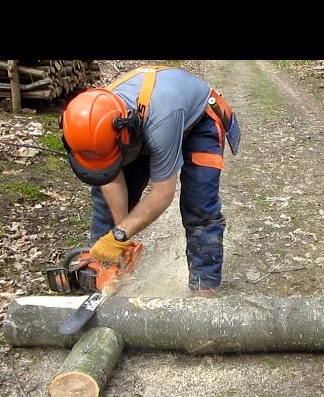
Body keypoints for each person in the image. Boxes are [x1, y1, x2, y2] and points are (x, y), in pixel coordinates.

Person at [59, 65, 240, 298]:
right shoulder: (95, 121)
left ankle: (204, 293)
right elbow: (106, 174)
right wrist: (118, 235)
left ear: (124, 135)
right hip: (142, 126)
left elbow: (162, 194)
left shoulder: (161, 120)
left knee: (199, 208)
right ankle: (102, 277)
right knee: (105, 204)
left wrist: (120, 234)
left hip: (199, 122)